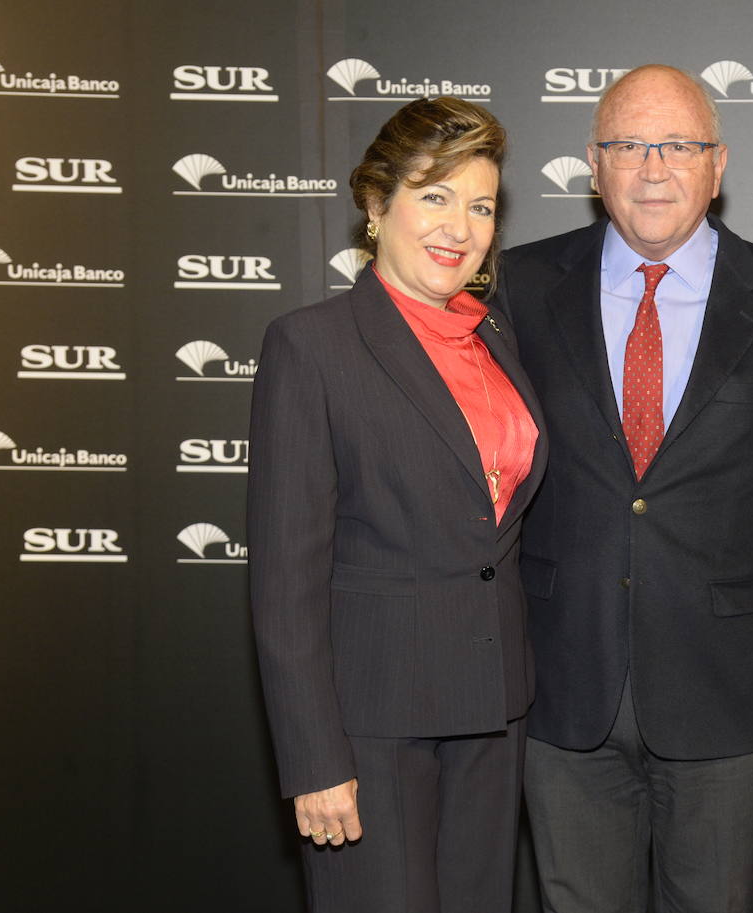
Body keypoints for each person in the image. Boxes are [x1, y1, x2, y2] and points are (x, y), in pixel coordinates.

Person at [496, 65, 753, 913]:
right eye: (627, 145)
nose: (653, 168)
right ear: (593, 163)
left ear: (718, 164)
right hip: (560, 681)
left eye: (680, 145)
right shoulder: (514, 286)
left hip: (725, 690)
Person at [247, 97, 545, 913]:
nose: (460, 225)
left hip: (494, 709)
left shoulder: (495, 343)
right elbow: (285, 578)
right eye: (434, 195)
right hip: (372, 728)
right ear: (377, 206)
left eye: (480, 205)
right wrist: (314, 757)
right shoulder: (311, 346)